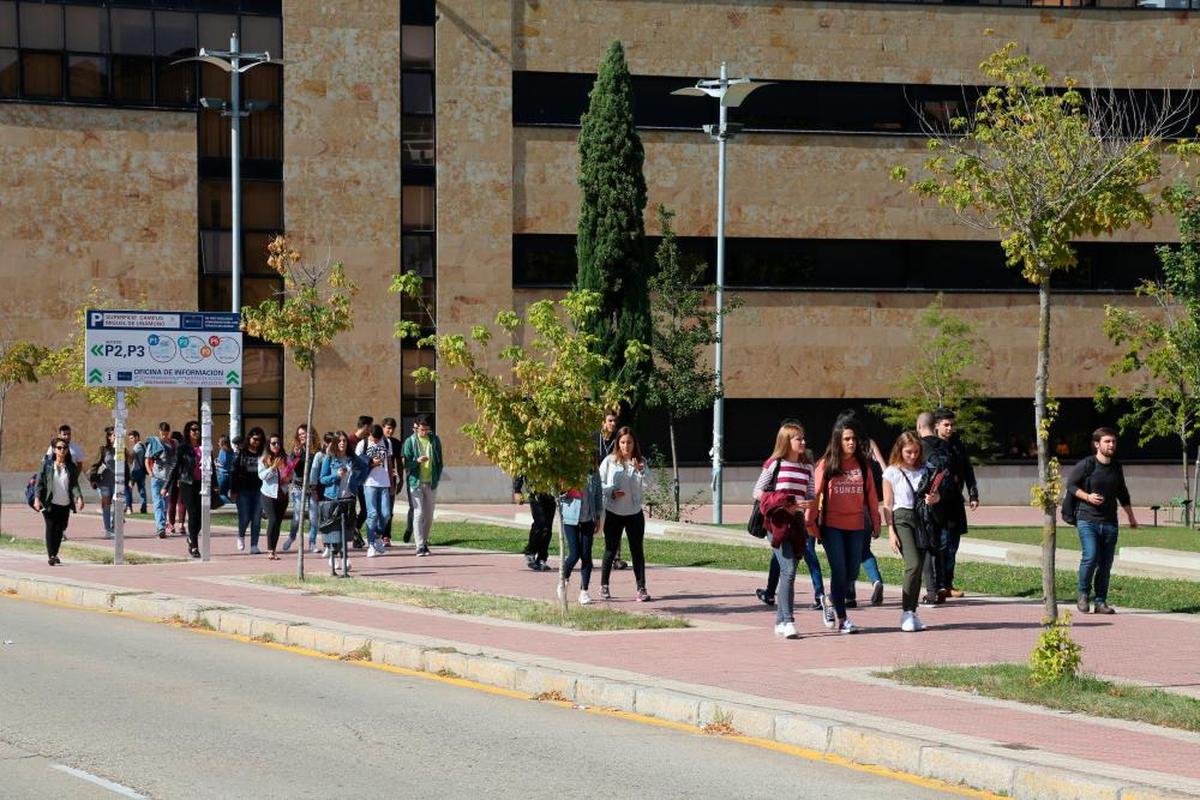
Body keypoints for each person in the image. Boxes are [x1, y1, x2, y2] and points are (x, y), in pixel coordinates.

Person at [810, 416, 881, 634]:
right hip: (832, 527)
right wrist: (810, 523)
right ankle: (843, 620)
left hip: (857, 525)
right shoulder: (827, 464)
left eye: (854, 439)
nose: (852, 443)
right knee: (839, 571)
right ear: (838, 441)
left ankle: (830, 600)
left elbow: (871, 495)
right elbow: (815, 494)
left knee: (852, 572)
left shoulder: (862, 465)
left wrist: (876, 522)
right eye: (847, 439)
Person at [753, 419, 828, 621]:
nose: (803, 442)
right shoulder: (775, 463)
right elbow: (757, 492)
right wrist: (785, 503)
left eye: (803, 438)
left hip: (797, 523)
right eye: (798, 439)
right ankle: (788, 620)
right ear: (786, 441)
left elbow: (812, 495)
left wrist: (808, 504)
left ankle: (781, 621)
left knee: (790, 571)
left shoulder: (807, 467)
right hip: (776, 522)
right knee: (788, 570)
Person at [1067, 427, 1138, 614]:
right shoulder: (1087, 464)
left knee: (1106, 564)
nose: (1111, 445)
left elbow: (1122, 491)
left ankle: (1100, 602)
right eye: (1107, 441)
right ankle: (1083, 594)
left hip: (1110, 522)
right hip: (1087, 519)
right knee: (1090, 557)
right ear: (1097, 444)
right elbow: (1071, 485)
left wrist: (1130, 515)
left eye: (1113, 441)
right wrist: (1088, 497)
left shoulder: (1116, 466)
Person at [882, 432, 941, 632]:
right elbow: (888, 504)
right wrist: (890, 531)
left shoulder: (925, 469)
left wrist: (935, 498)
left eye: (916, 452)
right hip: (902, 518)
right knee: (913, 565)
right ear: (900, 450)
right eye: (908, 452)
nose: (913, 456)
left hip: (922, 519)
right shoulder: (891, 472)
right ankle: (906, 612)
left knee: (919, 568)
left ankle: (912, 611)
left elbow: (935, 493)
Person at [919, 408, 979, 602]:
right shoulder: (930, 447)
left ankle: (948, 583)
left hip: (954, 501)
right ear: (936, 426)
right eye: (946, 424)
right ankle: (939, 585)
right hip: (937, 504)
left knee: (952, 543)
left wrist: (972, 493)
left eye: (952, 424)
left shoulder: (956, 445)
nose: (950, 428)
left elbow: (967, 469)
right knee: (940, 544)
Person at [599, 427, 652, 602]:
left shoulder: (640, 462)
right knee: (610, 550)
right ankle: (604, 586)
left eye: (629, 442)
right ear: (617, 443)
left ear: (634, 443)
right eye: (622, 442)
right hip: (614, 512)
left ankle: (641, 588)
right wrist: (611, 492)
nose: (626, 446)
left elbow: (649, 486)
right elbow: (599, 485)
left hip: (634, 513)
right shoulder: (610, 461)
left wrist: (641, 471)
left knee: (637, 551)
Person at [33, 437, 84, 565]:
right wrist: (37, 498)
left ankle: (54, 553)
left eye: (65, 448)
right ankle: (52, 555)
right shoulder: (47, 465)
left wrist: (79, 497)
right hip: (49, 502)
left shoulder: (70, 467)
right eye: (59, 448)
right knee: (51, 527)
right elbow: (39, 483)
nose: (62, 450)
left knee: (60, 528)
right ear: (54, 450)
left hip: (65, 503)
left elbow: (74, 485)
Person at [559, 463, 604, 605]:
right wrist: (565, 489)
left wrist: (597, 516)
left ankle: (584, 591)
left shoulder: (593, 471)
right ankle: (563, 580)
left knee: (586, 555)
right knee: (574, 553)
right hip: (570, 517)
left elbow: (598, 494)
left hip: (588, 518)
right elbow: (559, 493)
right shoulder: (567, 469)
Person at [319, 431, 365, 567]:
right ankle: (334, 557)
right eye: (339, 441)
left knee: (346, 531)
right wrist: (336, 476)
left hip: (349, 498)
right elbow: (322, 479)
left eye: (344, 441)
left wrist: (357, 482)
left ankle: (344, 559)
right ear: (334, 443)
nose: (342, 443)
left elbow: (363, 469)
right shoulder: (330, 458)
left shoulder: (352, 459)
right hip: (333, 498)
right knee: (335, 531)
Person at [165, 420, 209, 559]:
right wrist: (166, 485)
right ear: (188, 432)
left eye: (198, 429)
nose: (196, 432)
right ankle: (194, 545)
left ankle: (191, 538)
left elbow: (210, 466)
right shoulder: (183, 448)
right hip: (187, 483)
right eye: (193, 429)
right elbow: (175, 466)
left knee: (202, 516)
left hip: (202, 484)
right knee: (193, 512)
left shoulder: (205, 447)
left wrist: (215, 485)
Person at [402, 414, 443, 557]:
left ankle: (424, 542)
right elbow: (406, 464)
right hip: (416, 482)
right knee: (418, 513)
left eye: (426, 430)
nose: (424, 432)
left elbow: (440, 461)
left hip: (431, 483)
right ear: (416, 428)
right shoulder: (410, 442)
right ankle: (419, 546)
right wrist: (417, 461)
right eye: (421, 430)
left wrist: (437, 477)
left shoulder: (435, 440)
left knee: (429, 515)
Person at [594, 411, 628, 571]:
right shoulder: (594, 439)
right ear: (603, 422)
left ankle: (616, 557)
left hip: (612, 486)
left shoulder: (618, 441)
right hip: (595, 484)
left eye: (615, 421)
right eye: (610, 421)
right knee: (592, 521)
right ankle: (585, 554)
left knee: (615, 521)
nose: (613, 424)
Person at [356, 424, 393, 557]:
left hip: (384, 482)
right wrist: (371, 463)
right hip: (369, 483)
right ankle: (371, 544)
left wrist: (392, 483)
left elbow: (389, 461)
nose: (376, 441)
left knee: (386, 513)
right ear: (369, 434)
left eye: (378, 439)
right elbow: (357, 463)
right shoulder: (363, 444)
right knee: (372, 514)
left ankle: (377, 536)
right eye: (374, 439)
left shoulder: (387, 442)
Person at [258, 433, 295, 560]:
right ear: (269, 445)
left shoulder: (285, 458)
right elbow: (262, 476)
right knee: (272, 520)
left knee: (278, 523)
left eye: (278, 443)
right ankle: (269, 550)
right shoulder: (263, 459)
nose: (276, 445)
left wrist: (289, 478)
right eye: (274, 443)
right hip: (268, 494)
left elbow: (292, 473)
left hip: (282, 494)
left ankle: (273, 549)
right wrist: (272, 468)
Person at [230, 426, 266, 554]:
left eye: (260, 440)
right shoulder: (241, 454)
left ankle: (254, 545)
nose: (257, 442)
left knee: (256, 518)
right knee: (244, 517)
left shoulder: (263, 454)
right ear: (249, 438)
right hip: (243, 489)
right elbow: (233, 472)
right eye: (255, 439)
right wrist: (233, 490)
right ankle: (241, 535)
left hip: (259, 490)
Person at [87, 426, 125, 539]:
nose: (117, 438)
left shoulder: (122, 450)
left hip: (118, 482)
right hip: (105, 482)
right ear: (109, 437)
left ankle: (115, 526)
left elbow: (125, 466)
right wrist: (93, 479)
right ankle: (108, 528)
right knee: (106, 505)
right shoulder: (103, 450)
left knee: (118, 504)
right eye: (114, 435)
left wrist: (129, 480)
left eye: (119, 436)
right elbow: (95, 465)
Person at [514, 474, 557, 572]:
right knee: (539, 522)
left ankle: (542, 558)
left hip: (551, 491)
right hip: (535, 490)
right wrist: (517, 490)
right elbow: (521, 467)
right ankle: (530, 552)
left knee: (548, 527)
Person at [143, 422, 178, 539]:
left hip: (168, 479)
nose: (164, 436)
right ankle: (160, 527)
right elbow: (147, 460)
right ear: (159, 431)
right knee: (158, 503)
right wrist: (151, 473)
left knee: (165, 504)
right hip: (157, 477)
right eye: (162, 433)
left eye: (166, 434)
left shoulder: (173, 444)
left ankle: (162, 524)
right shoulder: (154, 443)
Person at [283, 425, 315, 553]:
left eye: (305, 433)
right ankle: (291, 537)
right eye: (300, 434)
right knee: (297, 516)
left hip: (312, 487)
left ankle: (312, 543)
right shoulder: (296, 450)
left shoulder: (315, 450)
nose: (303, 436)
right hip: (298, 486)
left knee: (313, 516)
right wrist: (295, 456)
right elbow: (290, 468)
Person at [307, 432, 335, 553]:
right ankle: (312, 543)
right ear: (325, 443)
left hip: (329, 491)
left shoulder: (335, 456)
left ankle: (327, 544)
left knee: (327, 519)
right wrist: (313, 488)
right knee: (314, 518)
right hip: (318, 490)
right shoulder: (320, 455)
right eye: (329, 443)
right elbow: (314, 473)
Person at [349, 414, 373, 545]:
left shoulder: (367, 441)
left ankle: (355, 531)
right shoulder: (350, 440)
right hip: (352, 481)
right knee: (351, 511)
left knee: (365, 509)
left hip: (364, 481)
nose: (371, 430)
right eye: (370, 427)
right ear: (365, 426)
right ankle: (355, 537)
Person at [381, 417, 403, 548]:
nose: (391, 431)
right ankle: (376, 534)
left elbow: (399, 462)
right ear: (383, 427)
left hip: (391, 480)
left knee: (388, 510)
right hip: (377, 480)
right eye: (388, 428)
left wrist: (401, 479)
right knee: (378, 510)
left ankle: (386, 536)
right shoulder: (377, 441)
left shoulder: (396, 443)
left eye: (393, 429)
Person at [167, 430, 186, 536]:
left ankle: (171, 524)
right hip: (183, 476)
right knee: (181, 502)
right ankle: (182, 525)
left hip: (172, 476)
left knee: (172, 501)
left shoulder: (170, 447)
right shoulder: (184, 448)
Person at [125, 430, 148, 515]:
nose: (131, 440)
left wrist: (126, 452)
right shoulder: (144, 446)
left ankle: (129, 507)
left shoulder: (137, 446)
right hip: (142, 470)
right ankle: (143, 507)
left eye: (132, 438)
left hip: (135, 471)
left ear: (137, 437)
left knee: (129, 488)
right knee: (142, 489)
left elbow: (131, 459)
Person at [215, 435, 235, 506]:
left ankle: (229, 505)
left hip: (222, 474)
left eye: (219, 442)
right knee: (225, 492)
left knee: (221, 494)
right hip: (229, 475)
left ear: (223, 443)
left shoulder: (223, 451)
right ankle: (230, 504)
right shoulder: (232, 451)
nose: (218, 443)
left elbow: (222, 464)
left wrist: (215, 463)